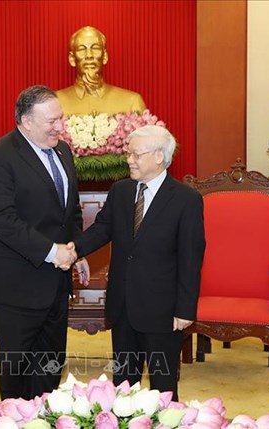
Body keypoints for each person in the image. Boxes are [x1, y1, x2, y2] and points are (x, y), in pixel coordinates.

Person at [71, 125, 205, 400]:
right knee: (122, 387)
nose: (129, 160)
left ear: (159, 156)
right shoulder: (120, 191)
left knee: (163, 388)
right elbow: (101, 230)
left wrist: (185, 309)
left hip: (163, 310)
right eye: (128, 153)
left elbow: (191, 258)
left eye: (135, 154)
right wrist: (72, 250)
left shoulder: (186, 199)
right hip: (122, 306)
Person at [0, 85, 87, 400]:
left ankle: (46, 417)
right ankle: (13, 418)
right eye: (51, 121)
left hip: (56, 281)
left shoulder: (63, 151)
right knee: (18, 370)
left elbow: (70, 211)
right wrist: (53, 252)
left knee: (51, 365)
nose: (59, 126)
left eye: (60, 118)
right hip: (15, 283)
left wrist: (77, 250)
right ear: (26, 121)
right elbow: (2, 219)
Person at [56, 26, 146, 116]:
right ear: (72, 59)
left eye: (95, 48)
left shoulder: (131, 102)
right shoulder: (55, 102)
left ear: (105, 57)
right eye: (81, 49)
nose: (89, 55)